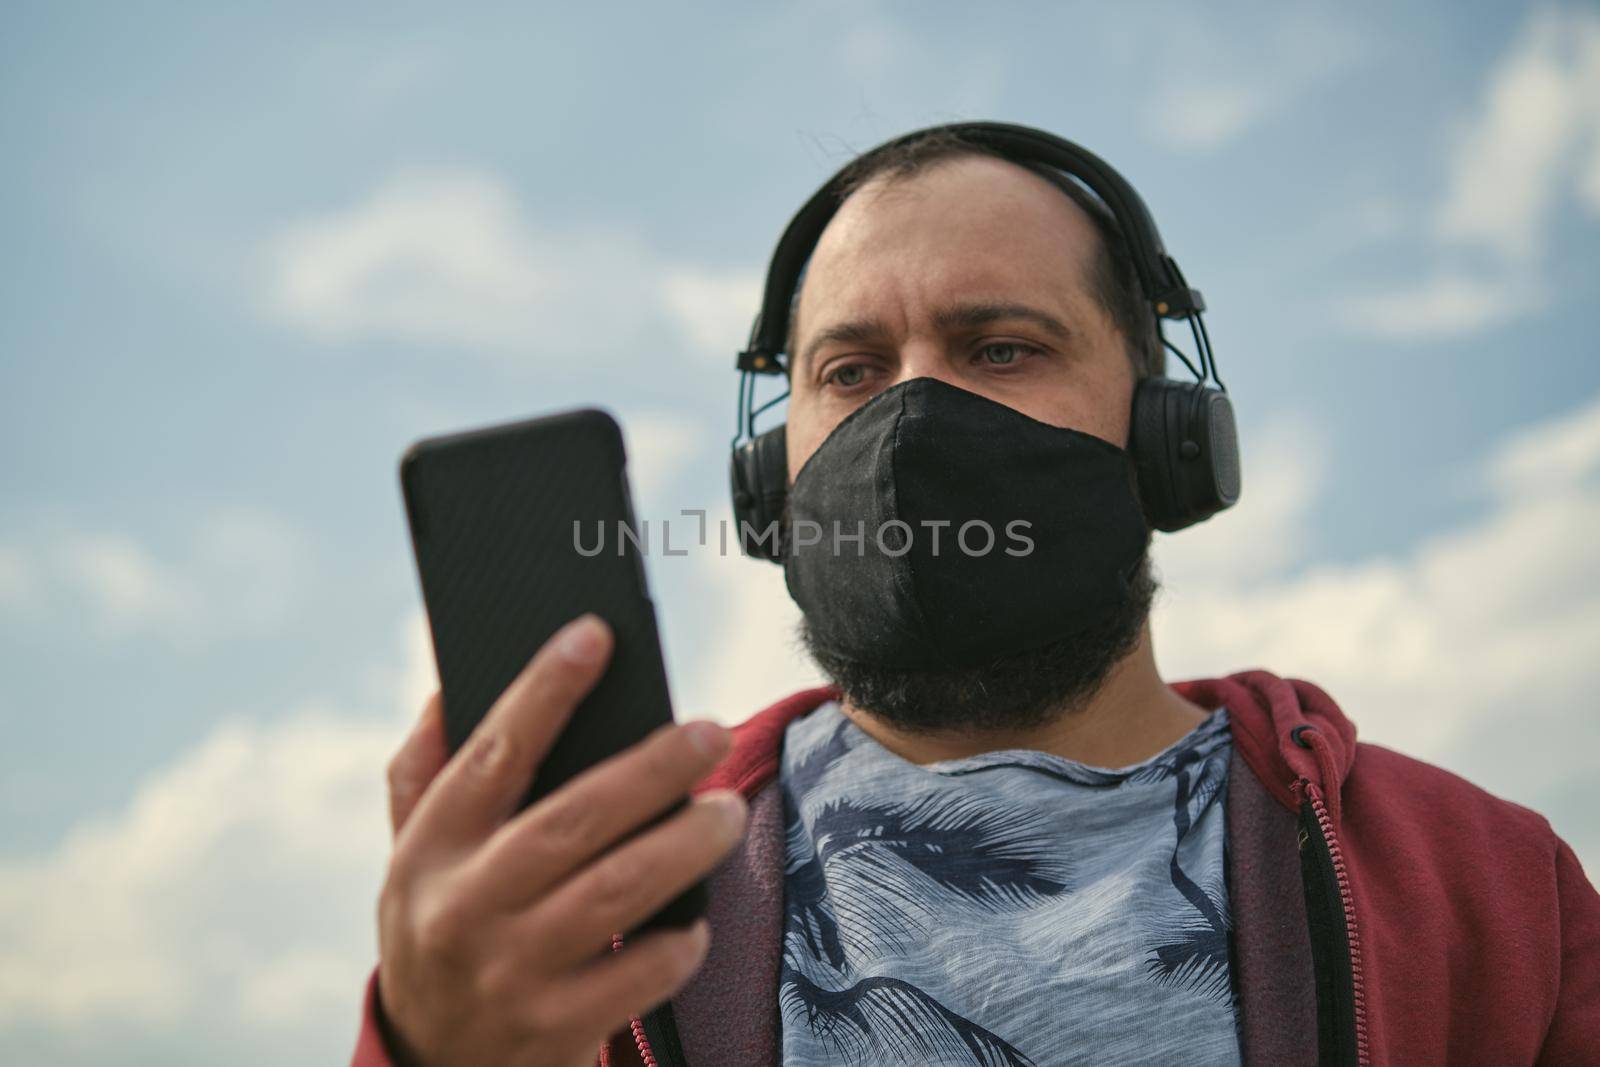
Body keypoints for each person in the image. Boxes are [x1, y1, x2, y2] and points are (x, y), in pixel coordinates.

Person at [350, 123, 1600, 1066]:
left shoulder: (1489, 888)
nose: (906, 416)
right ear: (765, 486)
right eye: (848, 369)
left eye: (1000, 346)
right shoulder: (601, 912)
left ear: (1168, 433)